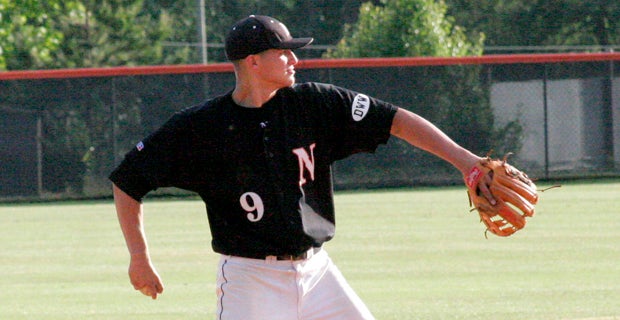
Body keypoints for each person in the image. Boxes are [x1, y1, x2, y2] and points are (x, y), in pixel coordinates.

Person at [110, 15, 493, 320]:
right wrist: (139, 257)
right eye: (284, 52)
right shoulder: (201, 127)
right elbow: (128, 180)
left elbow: (395, 119)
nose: (295, 60)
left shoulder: (313, 104)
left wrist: (467, 162)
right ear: (253, 61)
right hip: (251, 281)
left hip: (318, 272)